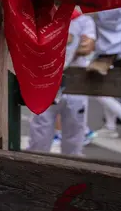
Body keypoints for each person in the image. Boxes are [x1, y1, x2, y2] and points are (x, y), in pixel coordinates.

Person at [27, 9, 93, 156]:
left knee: (74, 138)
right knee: (39, 137)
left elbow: (87, 46)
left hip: (75, 84)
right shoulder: (43, 16)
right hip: (46, 83)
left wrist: (59, 44)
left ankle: (73, 175)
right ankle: (34, 173)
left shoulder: (84, 21)